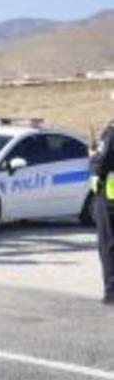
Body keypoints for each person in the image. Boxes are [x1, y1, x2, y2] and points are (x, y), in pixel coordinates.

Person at [89, 91, 114, 306]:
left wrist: (92, 155)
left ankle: (111, 293)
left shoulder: (112, 132)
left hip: (109, 198)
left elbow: (100, 163)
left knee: (107, 246)